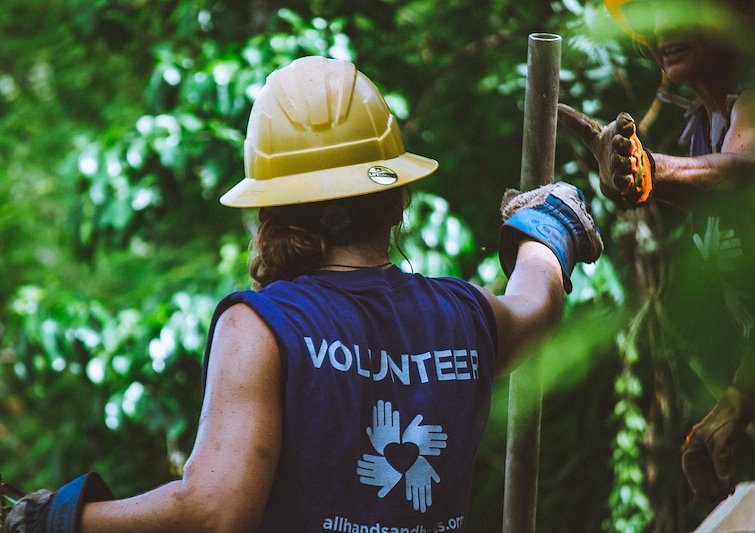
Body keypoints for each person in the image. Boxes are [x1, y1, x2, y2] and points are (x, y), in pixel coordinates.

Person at [5, 56, 602, 532]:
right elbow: (536, 304)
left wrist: (49, 519)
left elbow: (216, 512)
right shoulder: (462, 316)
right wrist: (549, 228)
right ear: (397, 197)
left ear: (268, 207)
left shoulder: (261, 326)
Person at [558, 0, 755, 530]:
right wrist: (739, 401)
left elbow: (748, 175)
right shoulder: (706, 127)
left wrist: (648, 169)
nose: (663, 27)